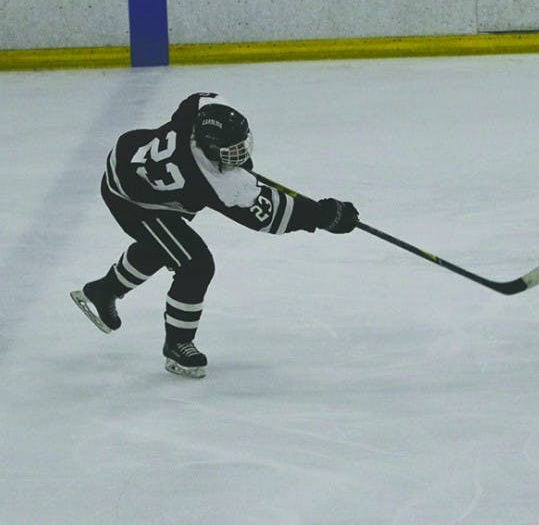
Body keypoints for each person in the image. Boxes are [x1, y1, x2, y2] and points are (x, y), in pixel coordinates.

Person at [69, 92, 360, 378]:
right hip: (133, 201)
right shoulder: (213, 180)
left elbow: (195, 101)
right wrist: (322, 215)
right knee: (194, 264)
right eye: (230, 151)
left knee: (166, 245)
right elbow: (269, 215)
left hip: (131, 160)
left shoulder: (196, 113)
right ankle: (177, 343)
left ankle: (104, 290)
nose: (241, 153)